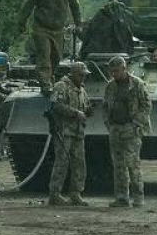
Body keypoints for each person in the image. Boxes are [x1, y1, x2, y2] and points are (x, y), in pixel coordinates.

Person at [20, 0, 82, 89]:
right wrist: (21, 23)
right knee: (44, 55)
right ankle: (45, 83)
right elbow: (27, 5)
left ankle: (50, 77)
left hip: (58, 29)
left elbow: (75, 6)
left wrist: (78, 24)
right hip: (41, 28)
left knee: (56, 57)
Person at [102, 55, 151, 208]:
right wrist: (109, 124)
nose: (114, 74)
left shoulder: (136, 84)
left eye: (116, 71)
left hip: (131, 129)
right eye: (112, 71)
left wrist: (136, 124)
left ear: (124, 69)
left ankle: (138, 197)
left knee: (133, 164)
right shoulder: (110, 86)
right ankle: (121, 198)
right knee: (118, 165)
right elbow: (105, 106)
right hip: (115, 129)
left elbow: (146, 106)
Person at [46, 61, 93, 206]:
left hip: (78, 131)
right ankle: (55, 194)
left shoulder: (82, 90)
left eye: (84, 75)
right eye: (81, 75)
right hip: (64, 131)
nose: (83, 78)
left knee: (79, 163)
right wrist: (75, 113)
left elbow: (86, 106)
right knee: (62, 162)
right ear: (73, 74)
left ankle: (76, 193)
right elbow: (56, 105)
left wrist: (88, 111)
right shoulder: (61, 86)